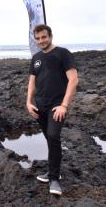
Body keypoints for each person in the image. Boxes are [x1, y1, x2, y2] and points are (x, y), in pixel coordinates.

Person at [26, 24, 78, 196]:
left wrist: (64, 105)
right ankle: (54, 170)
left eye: (44, 37)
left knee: (54, 136)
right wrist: (28, 102)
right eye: (38, 38)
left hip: (57, 106)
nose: (41, 41)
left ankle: (54, 178)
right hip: (40, 106)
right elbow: (32, 82)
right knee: (51, 139)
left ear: (50, 36)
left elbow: (73, 80)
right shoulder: (36, 57)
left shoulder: (63, 53)